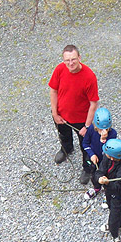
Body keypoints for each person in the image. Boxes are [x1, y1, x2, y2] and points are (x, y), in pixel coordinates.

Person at [49, 44, 99, 185]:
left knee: (86, 146)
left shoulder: (89, 77)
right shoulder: (60, 69)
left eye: (73, 59)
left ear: (79, 58)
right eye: (67, 60)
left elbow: (93, 103)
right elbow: (53, 91)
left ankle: (88, 168)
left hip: (81, 120)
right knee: (64, 135)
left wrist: (87, 126)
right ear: (63, 60)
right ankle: (67, 148)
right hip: (62, 116)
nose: (70, 63)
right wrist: (55, 113)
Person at [95, 138, 121, 242]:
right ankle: (120, 224)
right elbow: (100, 171)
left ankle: (114, 234)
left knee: (114, 215)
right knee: (111, 207)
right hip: (109, 190)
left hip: (118, 193)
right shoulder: (107, 158)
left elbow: (119, 186)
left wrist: (107, 183)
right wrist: (100, 178)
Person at [83, 107, 117, 200]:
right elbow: (85, 143)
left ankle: (108, 194)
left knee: (107, 177)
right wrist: (91, 154)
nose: (103, 131)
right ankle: (96, 189)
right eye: (100, 129)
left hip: (107, 160)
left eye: (106, 128)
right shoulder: (91, 130)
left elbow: (110, 149)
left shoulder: (113, 133)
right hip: (95, 159)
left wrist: (103, 140)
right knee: (95, 175)